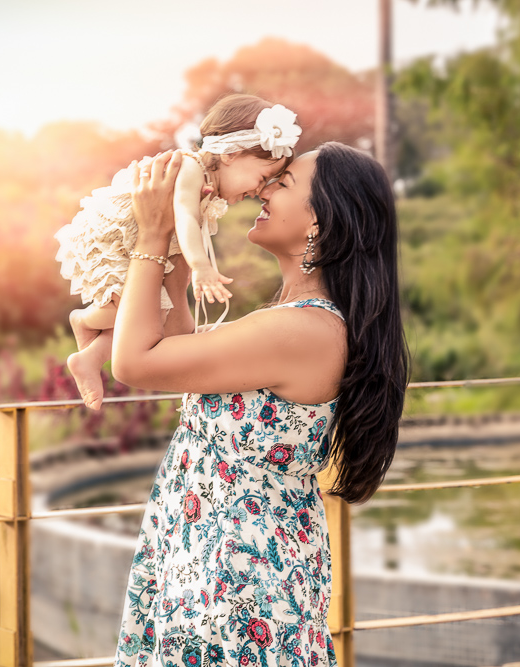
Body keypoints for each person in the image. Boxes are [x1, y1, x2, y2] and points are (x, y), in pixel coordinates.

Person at [109, 144, 409, 666]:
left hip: (238, 581)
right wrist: (179, 251)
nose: (263, 189)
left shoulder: (302, 329)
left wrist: (153, 236)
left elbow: (135, 363)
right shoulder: (291, 317)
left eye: (284, 182)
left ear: (321, 220)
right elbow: (181, 364)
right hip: (213, 561)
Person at [55, 94, 302, 410]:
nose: (259, 190)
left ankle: (89, 356)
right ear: (232, 154)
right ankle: (86, 320)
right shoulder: (189, 166)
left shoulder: (209, 191)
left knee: (153, 316)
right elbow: (184, 215)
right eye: (263, 177)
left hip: (135, 242)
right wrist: (200, 266)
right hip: (113, 238)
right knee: (144, 313)